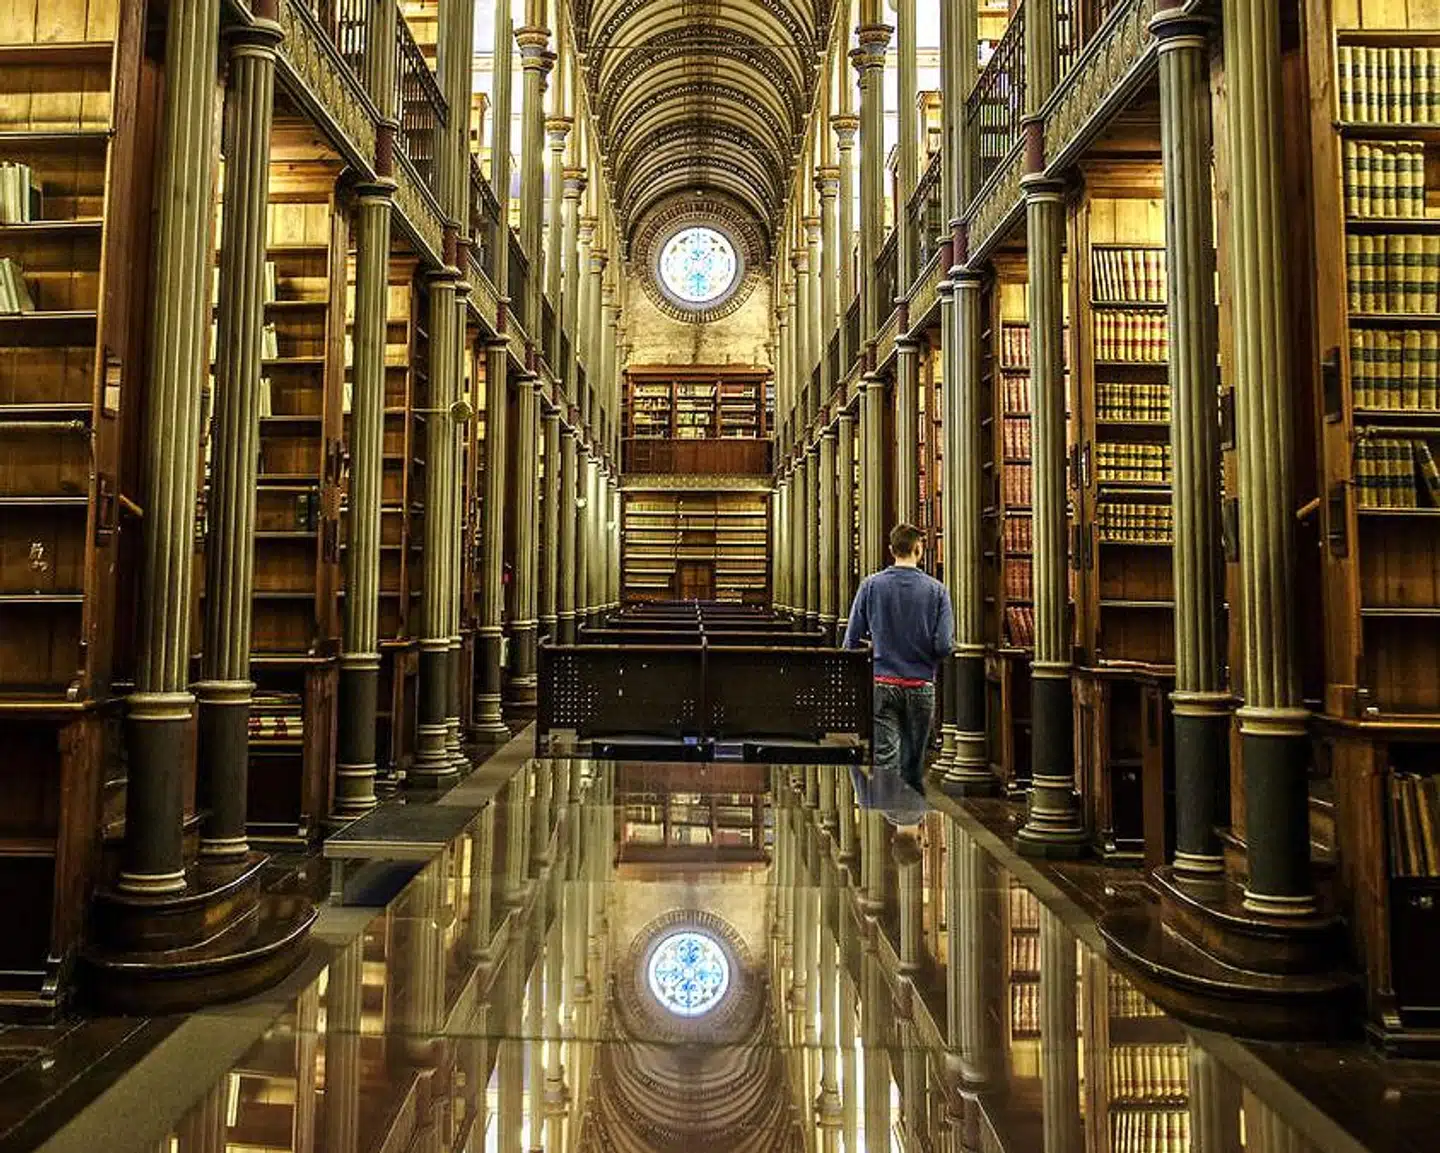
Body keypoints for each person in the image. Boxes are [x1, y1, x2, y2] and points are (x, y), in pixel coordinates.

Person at [843, 523, 954, 794]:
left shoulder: (870, 586)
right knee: (914, 764)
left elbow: (850, 641)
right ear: (919, 549)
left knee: (886, 759)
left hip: (882, 681)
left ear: (891, 550)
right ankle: (909, 826)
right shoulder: (938, 591)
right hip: (920, 684)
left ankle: (888, 824)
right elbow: (943, 645)